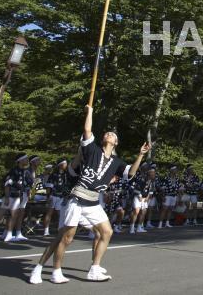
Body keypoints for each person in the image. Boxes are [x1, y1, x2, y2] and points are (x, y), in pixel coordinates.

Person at [29, 106, 150, 284]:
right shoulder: (92, 150)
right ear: (103, 139)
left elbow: (130, 173)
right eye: (107, 133)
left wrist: (140, 155)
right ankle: (50, 270)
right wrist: (90, 112)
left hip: (93, 202)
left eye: (113, 135)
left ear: (116, 142)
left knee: (106, 232)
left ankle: (94, 269)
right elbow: (87, 130)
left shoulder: (116, 162)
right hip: (77, 199)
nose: (109, 134)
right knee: (66, 237)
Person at [0, 153, 32, 244]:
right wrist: (6, 197)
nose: (27, 160)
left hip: (16, 197)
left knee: (13, 217)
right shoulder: (14, 171)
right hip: (10, 196)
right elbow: (7, 184)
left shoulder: (22, 171)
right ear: (20, 161)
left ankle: (8, 235)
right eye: (25, 159)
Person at [42, 159, 70, 237]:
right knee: (49, 213)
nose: (66, 165)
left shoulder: (66, 174)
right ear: (60, 165)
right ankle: (46, 230)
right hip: (53, 195)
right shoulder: (53, 175)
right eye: (65, 164)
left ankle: (60, 229)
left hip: (61, 196)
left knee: (60, 213)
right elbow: (49, 187)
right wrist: (48, 197)